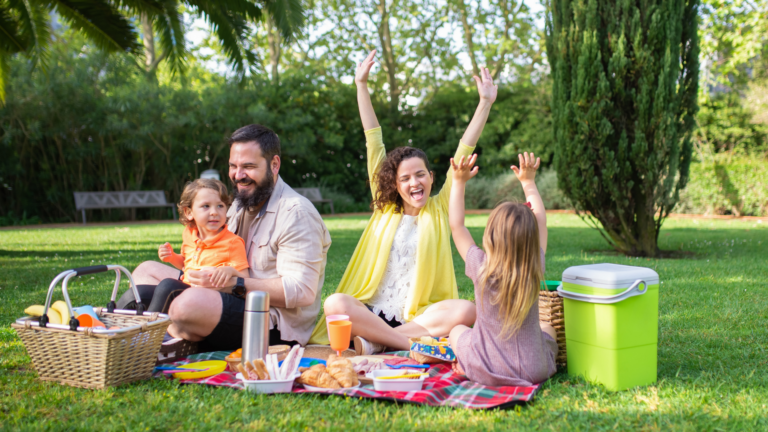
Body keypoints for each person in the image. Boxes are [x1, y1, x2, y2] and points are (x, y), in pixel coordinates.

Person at [309, 49, 497, 354]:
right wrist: (361, 85)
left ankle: (374, 343)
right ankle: (408, 345)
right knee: (335, 303)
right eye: (405, 179)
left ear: (432, 177)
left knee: (466, 310)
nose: (414, 183)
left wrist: (485, 103)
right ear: (394, 185)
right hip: (370, 311)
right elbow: (373, 138)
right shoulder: (385, 206)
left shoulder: (439, 208)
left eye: (420, 175)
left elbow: (464, 149)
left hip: (418, 318)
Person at [121, 124, 331, 353]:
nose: (238, 175)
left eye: (248, 166)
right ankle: (136, 333)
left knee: (185, 305)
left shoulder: (296, 213)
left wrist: (235, 284)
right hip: (221, 293)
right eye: (233, 166)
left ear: (274, 165)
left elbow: (301, 291)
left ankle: (158, 341)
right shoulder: (239, 204)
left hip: (269, 322)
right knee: (144, 272)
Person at [447, 152, 558, 387]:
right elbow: (541, 222)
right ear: (531, 240)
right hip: (533, 370)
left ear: (491, 236)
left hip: (484, 367)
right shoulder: (534, 264)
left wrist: (458, 182)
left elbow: (457, 227)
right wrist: (528, 182)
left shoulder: (481, 266)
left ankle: (464, 363)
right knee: (547, 327)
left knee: (457, 331)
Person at [132, 178, 250, 314]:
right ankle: (115, 326)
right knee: (139, 291)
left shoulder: (232, 242)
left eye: (220, 206)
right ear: (189, 213)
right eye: (206, 206)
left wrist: (230, 271)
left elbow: (245, 277)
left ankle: (148, 330)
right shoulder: (189, 234)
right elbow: (185, 264)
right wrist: (172, 257)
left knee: (167, 286)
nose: (214, 212)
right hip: (187, 288)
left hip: (210, 299)